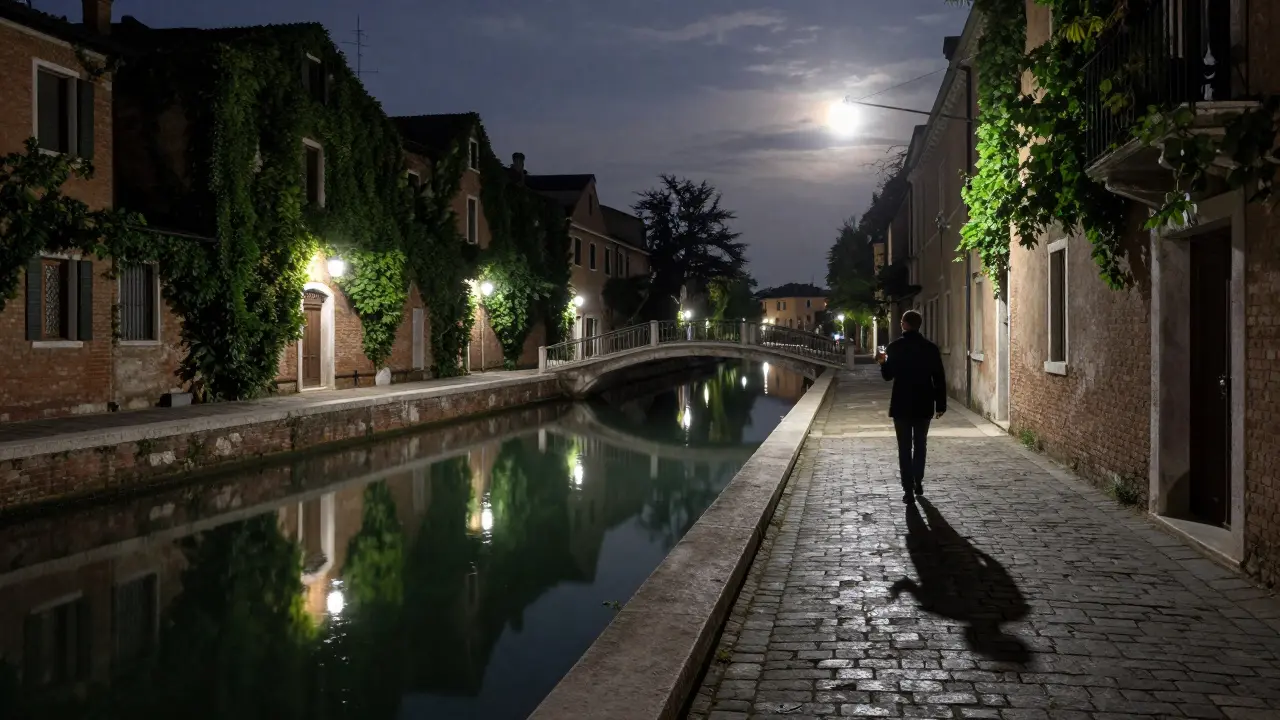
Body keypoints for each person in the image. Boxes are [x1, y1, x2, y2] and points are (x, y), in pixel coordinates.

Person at [876, 310, 946, 504]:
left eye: (901, 322)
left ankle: (908, 489)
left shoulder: (894, 347)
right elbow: (939, 377)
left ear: (905, 324)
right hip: (924, 402)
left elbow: (887, 376)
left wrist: (882, 362)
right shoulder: (930, 348)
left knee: (904, 447)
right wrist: (941, 404)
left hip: (902, 403)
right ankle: (918, 481)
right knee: (920, 444)